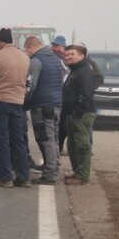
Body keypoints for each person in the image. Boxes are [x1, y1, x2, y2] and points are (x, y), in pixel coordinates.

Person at [0, 28, 32, 188]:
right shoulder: (25, 58)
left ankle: (5, 178)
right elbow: (29, 84)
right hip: (17, 103)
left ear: (0, 41)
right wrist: (20, 96)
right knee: (18, 140)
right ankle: (23, 177)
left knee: (1, 140)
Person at [23, 36, 64, 185]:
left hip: (42, 105)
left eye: (27, 51)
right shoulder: (55, 58)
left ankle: (50, 173)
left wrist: (23, 101)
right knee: (54, 138)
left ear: (30, 48)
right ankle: (52, 166)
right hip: (56, 103)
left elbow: (31, 85)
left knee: (45, 138)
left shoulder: (36, 60)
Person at [63, 43, 96, 186]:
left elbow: (87, 95)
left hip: (82, 114)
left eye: (72, 54)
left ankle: (82, 176)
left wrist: (78, 111)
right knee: (72, 145)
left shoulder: (84, 71)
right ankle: (77, 172)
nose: (68, 57)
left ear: (81, 56)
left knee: (81, 144)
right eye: (67, 55)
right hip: (73, 113)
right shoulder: (74, 70)